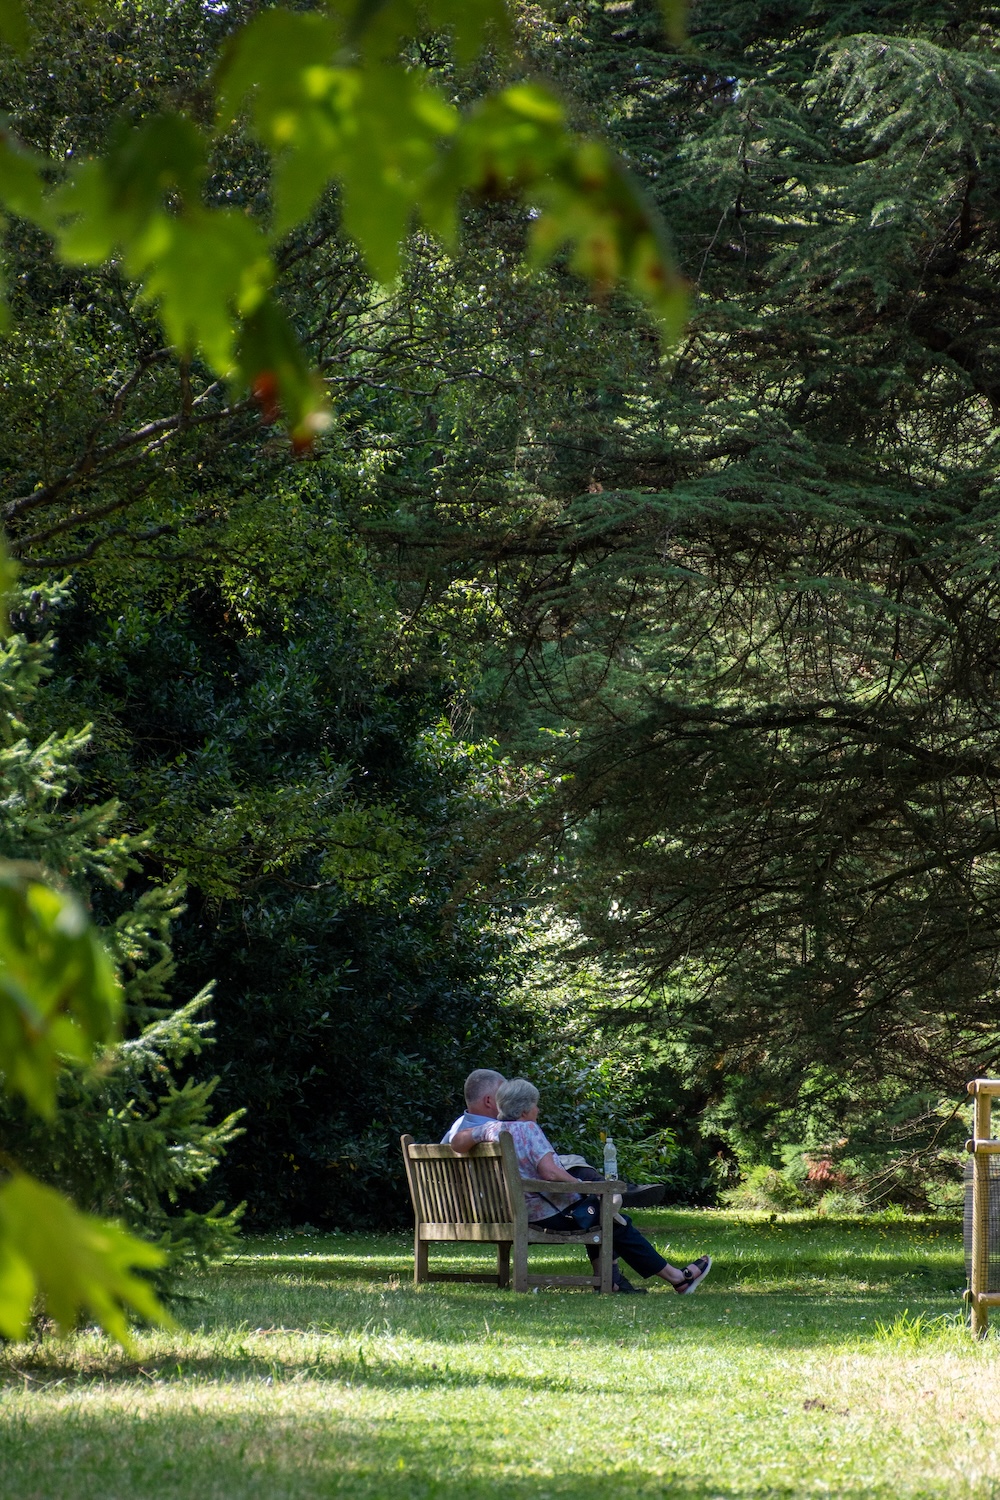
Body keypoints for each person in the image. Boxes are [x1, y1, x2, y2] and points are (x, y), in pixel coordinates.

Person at [451, 1077, 712, 1294]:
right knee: (608, 1213)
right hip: (544, 1215)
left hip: (511, 1211)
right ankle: (677, 1278)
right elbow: (550, 1173)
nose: (538, 1111)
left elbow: (456, 1143)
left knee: (600, 1211)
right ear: (523, 1111)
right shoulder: (528, 1129)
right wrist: (581, 1184)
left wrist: (475, 1134)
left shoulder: (490, 1129)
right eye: (536, 1106)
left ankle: (610, 1282)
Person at [441, 1068, 505, 1144]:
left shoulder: (457, 1125)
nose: (509, 1100)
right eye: (504, 1096)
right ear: (488, 1101)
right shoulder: (501, 1130)